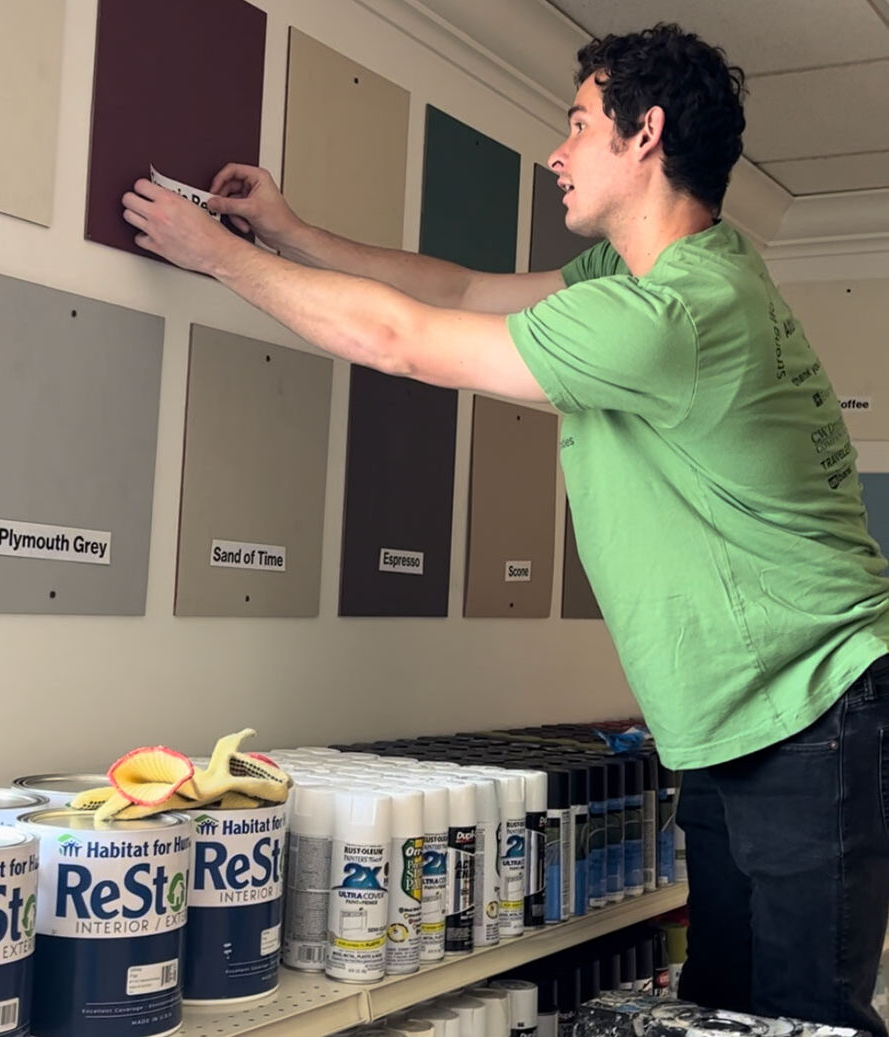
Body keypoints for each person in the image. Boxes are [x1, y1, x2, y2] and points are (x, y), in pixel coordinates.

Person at [122, 23, 889, 1034]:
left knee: (801, 1017)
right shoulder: (665, 272)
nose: (554, 152)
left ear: (644, 134)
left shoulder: (673, 315)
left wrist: (215, 257)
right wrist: (289, 231)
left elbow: (403, 342)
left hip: (812, 710)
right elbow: (459, 291)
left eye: (576, 125)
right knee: (722, 1006)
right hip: (738, 721)